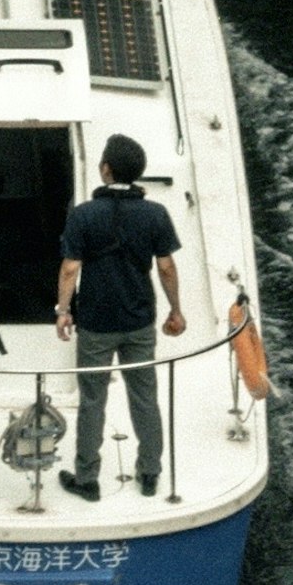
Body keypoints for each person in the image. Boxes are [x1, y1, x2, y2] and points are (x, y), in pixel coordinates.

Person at [54, 133, 184, 500]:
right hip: (139, 320)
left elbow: (69, 269)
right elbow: (167, 266)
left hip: (95, 323)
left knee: (92, 401)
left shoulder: (83, 214)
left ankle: (87, 479)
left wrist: (63, 311)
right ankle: (150, 473)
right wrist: (176, 310)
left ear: (106, 169)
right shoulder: (155, 214)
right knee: (144, 397)